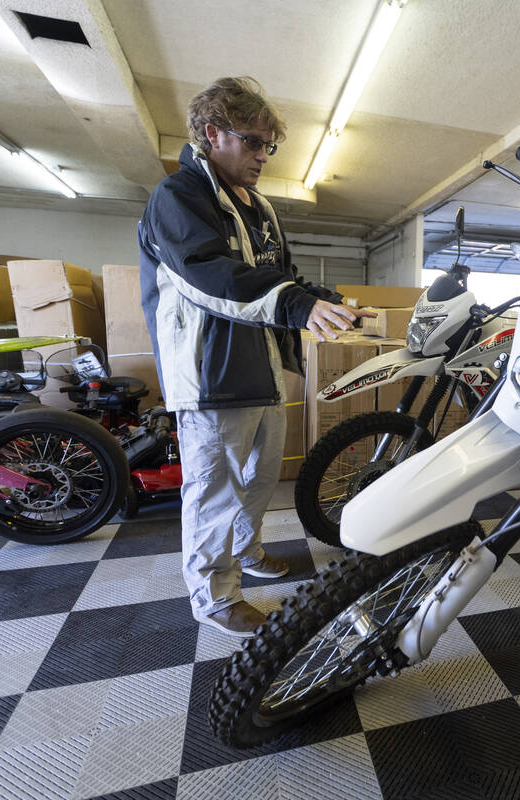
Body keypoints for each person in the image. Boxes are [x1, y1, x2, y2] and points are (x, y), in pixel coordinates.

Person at [137, 76, 373, 637]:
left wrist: (327, 301)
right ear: (212, 133)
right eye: (254, 143)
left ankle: (247, 550)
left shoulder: (260, 207)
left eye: (271, 145)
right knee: (215, 488)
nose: (264, 156)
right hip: (211, 371)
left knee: (261, 477)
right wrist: (294, 304)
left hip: (263, 366)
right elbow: (208, 275)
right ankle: (214, 596)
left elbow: (280, 277)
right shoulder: (178, 198)